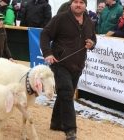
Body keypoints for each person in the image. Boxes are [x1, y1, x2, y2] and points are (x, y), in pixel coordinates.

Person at [40, 0, 96, 139]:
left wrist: (91, 44)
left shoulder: (89, 21)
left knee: (64, 95)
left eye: (81, 2)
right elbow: (45, 34)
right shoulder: (60, 18)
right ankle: (71, 131)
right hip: (60, 63)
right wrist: (48, 53)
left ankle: (56, 123)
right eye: (75, 2)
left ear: (85, 5)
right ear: (71, 4)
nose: (78, 5)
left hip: (78, 65)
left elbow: (93, 38)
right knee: (66, 94)